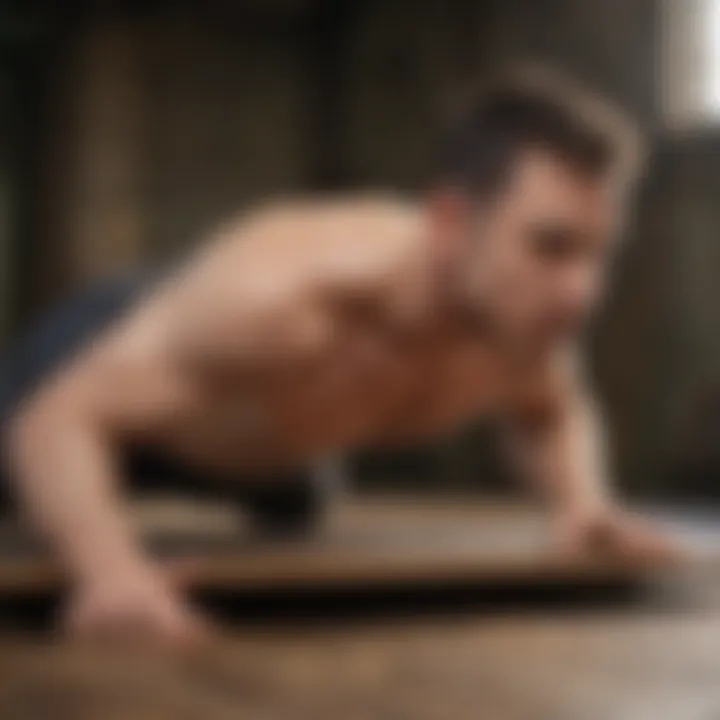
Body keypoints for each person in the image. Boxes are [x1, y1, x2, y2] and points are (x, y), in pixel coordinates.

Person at [1, 66, 680, 644]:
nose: (581, 294)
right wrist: (108, 570)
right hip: (97, 363)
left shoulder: (514, 322)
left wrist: (583, 503)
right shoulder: (278, 298)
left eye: (598, 255)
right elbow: (54, 419)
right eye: (551, 246)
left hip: (254, 437)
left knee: (299, 495)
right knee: (43, 465)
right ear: (450, 222)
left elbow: (551, 411)